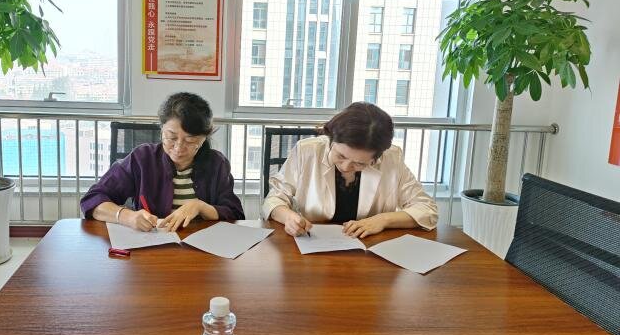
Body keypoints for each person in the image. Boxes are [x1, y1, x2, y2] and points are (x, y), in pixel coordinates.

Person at [262, 102, 438, 238]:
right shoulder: (307, 151)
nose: (346, 167)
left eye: (360, 163)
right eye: (340, 155)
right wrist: (288, 217)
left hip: (369, 251)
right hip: (312, 246)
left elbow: (427, 210)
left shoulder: (391, 159)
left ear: (377, 158)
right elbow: (274, 199)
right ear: (331, 139)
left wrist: (382, 220)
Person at [81, 92, 244, 232]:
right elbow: (93, 199)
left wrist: (200, 207)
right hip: (153, 247)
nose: (178, 148)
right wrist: (127, 216)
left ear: (203, 139)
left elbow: (235, 214)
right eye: (171, 137)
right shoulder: (142, 159)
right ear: (161, 130)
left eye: (190, 140)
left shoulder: (217, 164)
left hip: (202, 250)